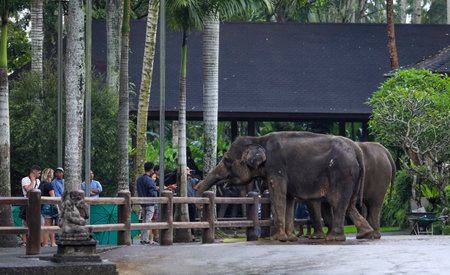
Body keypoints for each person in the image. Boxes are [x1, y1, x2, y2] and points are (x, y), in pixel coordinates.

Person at [20, 164, 42, 247]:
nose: (39, 175)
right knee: (25, 223)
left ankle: (34, 241)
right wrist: (32, 181)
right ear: (34, 171)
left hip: (35, 204)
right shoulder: (25, 179)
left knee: (35, 223)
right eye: (39, 173)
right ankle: (25, 242)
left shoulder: (38, 181)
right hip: (27, 203)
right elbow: (28, 190)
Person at [137, 162, 157, 245]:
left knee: (144, 220)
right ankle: (145, 240)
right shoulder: (149, 180)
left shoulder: (139, 179)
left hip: (142, 202)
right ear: (151, 169)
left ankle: (143, 239)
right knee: (148, 220)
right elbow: (153, 192)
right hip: (150, 203)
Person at [39, 168, 59, 247]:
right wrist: (57, 208)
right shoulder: (49, 185)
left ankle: (52, 242)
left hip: (42, 207)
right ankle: (45, 243)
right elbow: (53, 198)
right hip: (48, 207)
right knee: (48, 226)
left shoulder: (41, 184)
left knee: (48, 225)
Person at [187, 167, 201, 242]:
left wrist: (197, 186)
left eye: (189, 169)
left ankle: (192, 235)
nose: (188, 170)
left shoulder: (193, 180)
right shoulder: (180, 180)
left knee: (192, 218)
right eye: (187, 169)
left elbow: (202, 182)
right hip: (183, 202)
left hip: (192, 202)